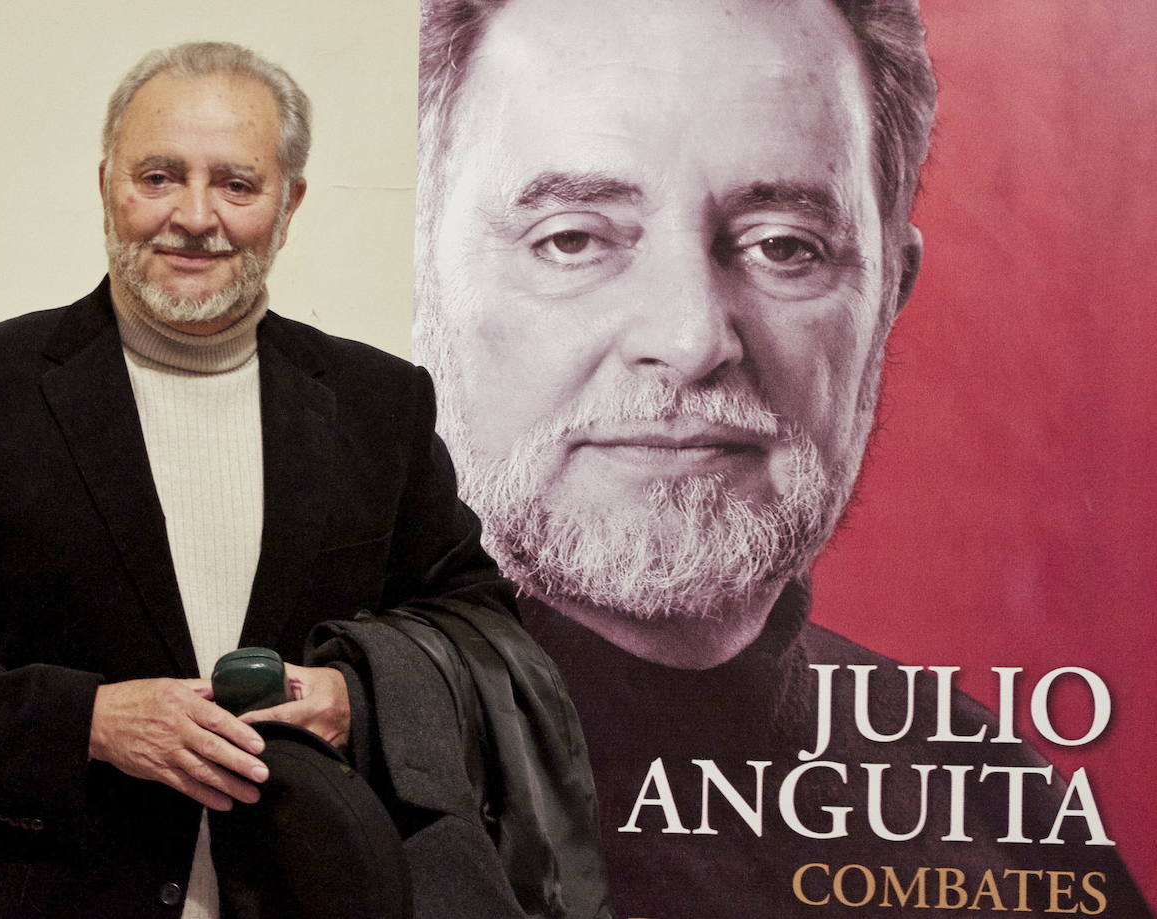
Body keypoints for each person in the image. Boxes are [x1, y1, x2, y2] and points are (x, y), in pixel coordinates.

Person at [0, 42, 610, 919]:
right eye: (158, 176)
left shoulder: (379, 403)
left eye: (236, 183)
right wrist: (88, 723)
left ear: (289, 202)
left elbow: (479, 625)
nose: (194, 215)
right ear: (107, 183)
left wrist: (358, 696)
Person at [413, 0, 1151, 915]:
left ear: (889, 300)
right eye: (571, 238)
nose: (689, 338)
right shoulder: (287, 758)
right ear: (422, 270)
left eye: (784, 247)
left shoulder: (992, 803)